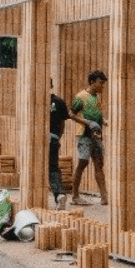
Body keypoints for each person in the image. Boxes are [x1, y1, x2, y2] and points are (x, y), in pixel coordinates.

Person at [69, 70, 108, 205]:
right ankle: (75, 196)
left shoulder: (97, 97)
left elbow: (98, 112)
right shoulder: (80, 97)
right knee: (82, 163)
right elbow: (71, 114)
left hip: (96, 136)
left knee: (99, 165)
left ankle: (104, 196)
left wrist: (103, 121)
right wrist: (88, 123)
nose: (102, 86)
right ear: (92, 82)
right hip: (84, 135)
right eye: (101, 83)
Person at [48, 79, 81, 210]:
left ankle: (55, 196)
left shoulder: (35, 101)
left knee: (39, 168)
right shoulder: (58, 101)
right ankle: (60, 195)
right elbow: (63, 122)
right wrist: (57, 137)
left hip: (38, 141)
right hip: (53, 138)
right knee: (53, 167)